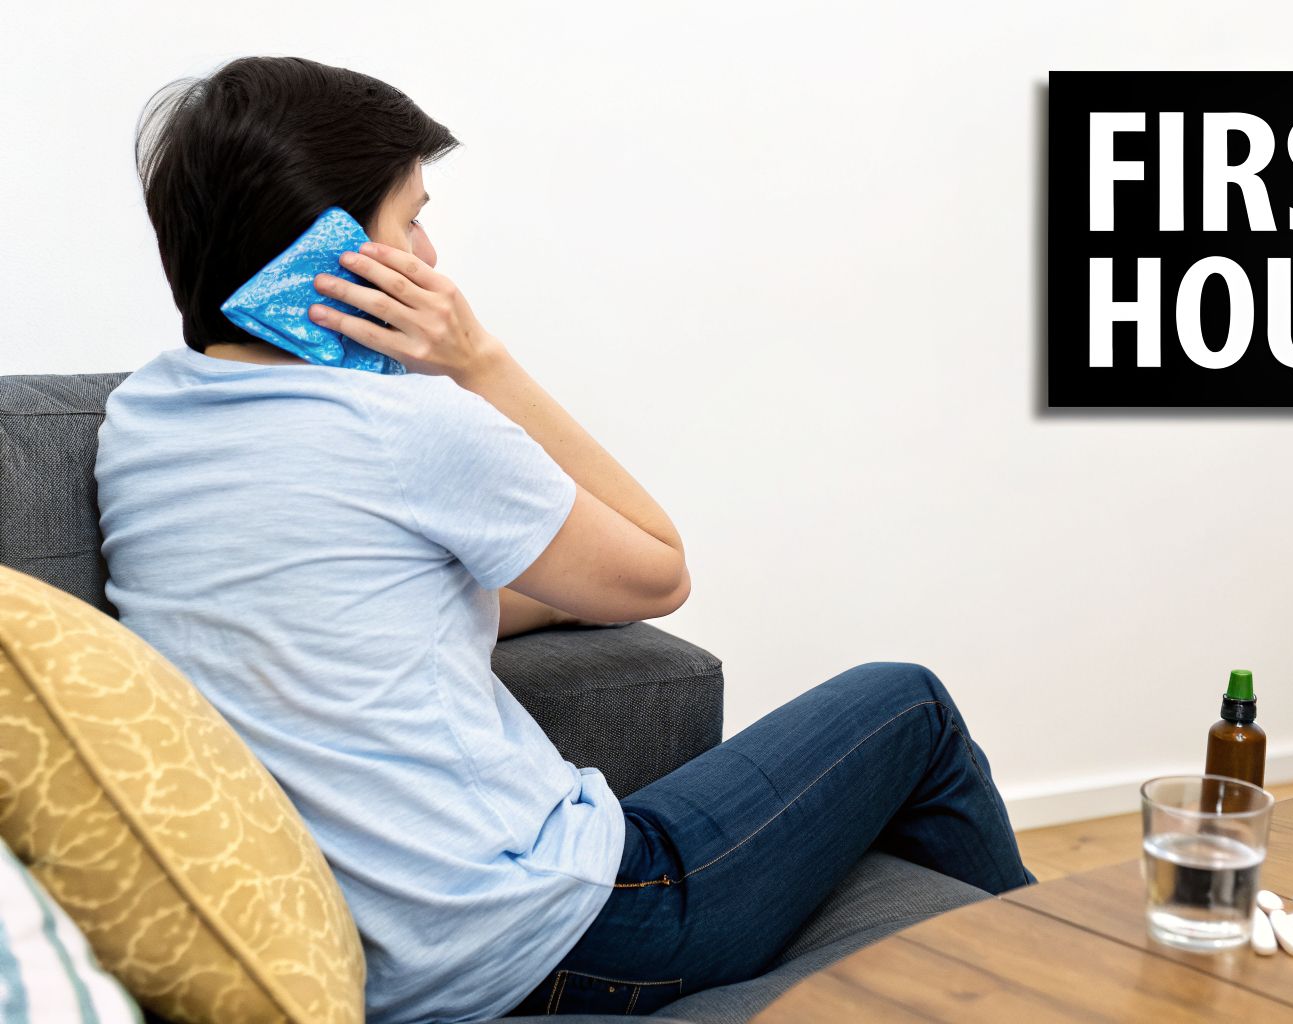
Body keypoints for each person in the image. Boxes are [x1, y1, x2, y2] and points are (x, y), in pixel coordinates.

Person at [100, 55, 1034, 1024]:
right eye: (410, 217)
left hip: (390, 962)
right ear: (334, 256)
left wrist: (531, 590)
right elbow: (659, 567)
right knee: (908, 704)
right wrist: (478, 360)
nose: (429, 257)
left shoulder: (145, 425)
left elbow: (329, 613)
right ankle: (1073, 976)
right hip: (571, 933)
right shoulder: (408, 429)